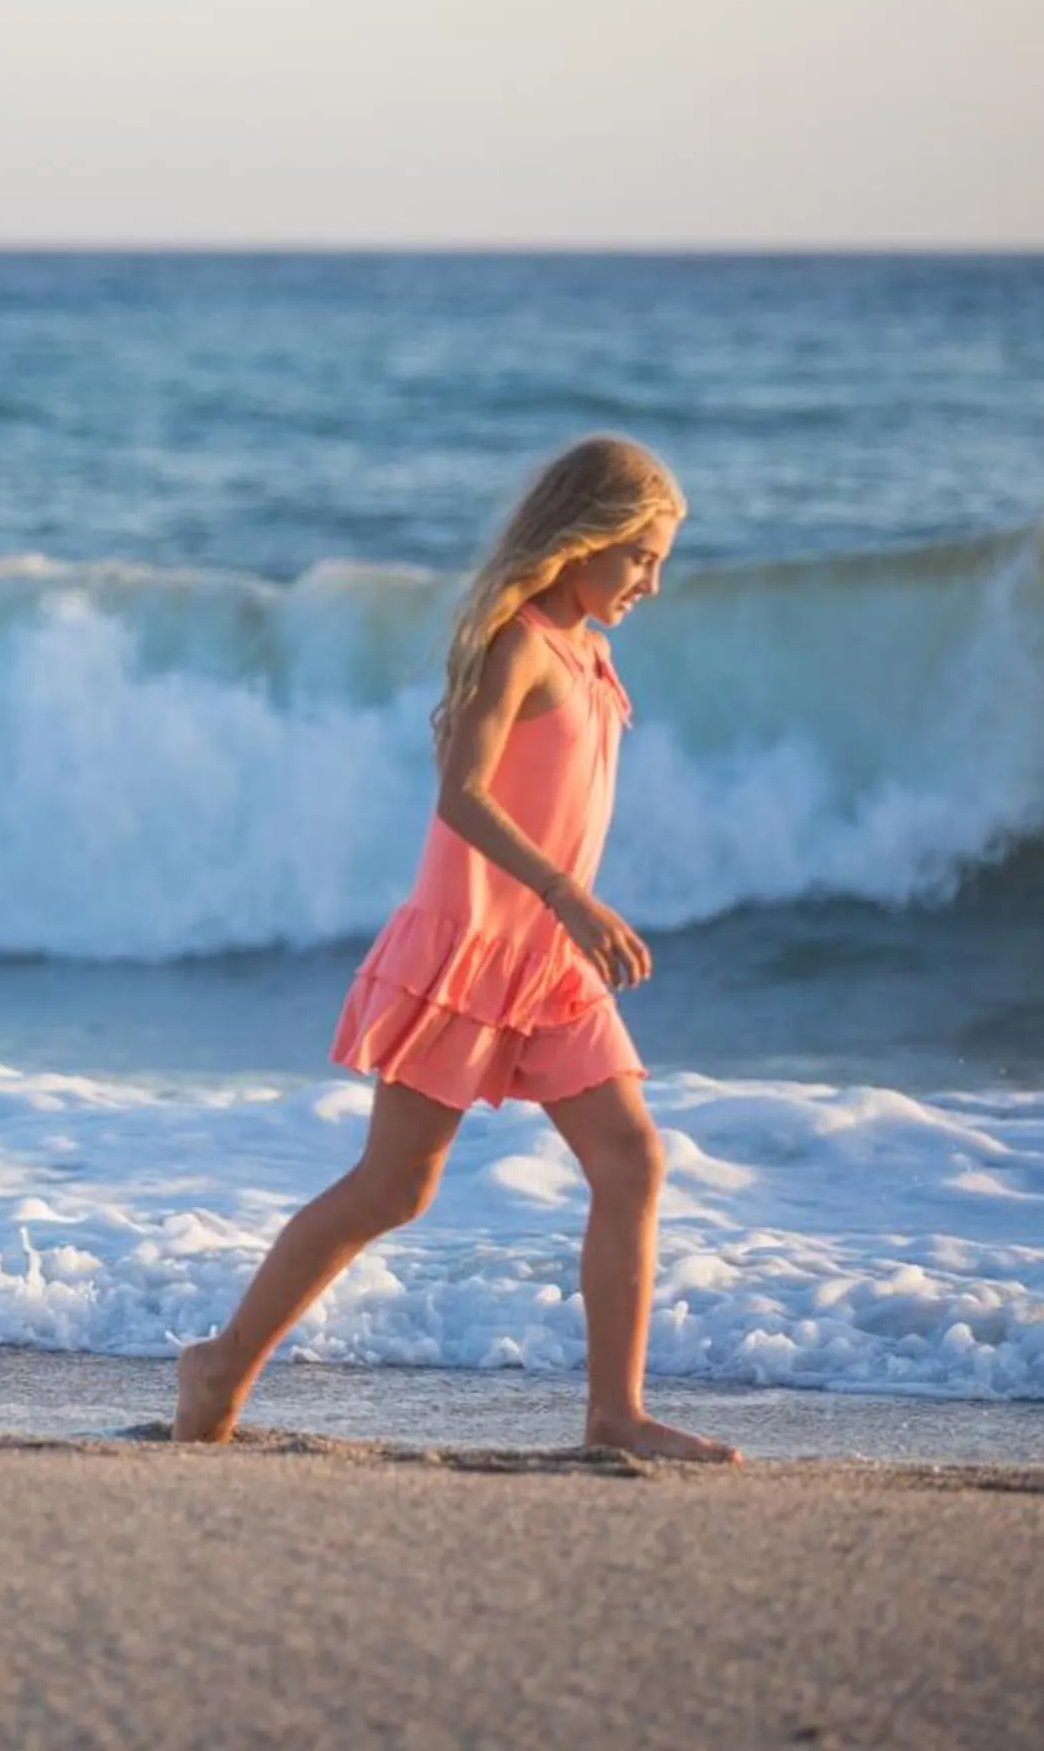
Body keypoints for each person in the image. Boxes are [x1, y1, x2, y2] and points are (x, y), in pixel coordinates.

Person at [171, 436, 739, 1461]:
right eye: (639, 556)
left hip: (548, 964)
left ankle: (615, 1414)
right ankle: (222, 1360)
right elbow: (461, 794)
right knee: (394, 1186)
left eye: (661, 560)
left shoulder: (591, 647)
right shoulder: (521, 643)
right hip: (477, 943)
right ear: (581, 540)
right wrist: (570, 894)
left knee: (631, 1158)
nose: (653, 581)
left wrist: (566, 914)